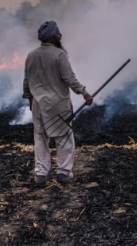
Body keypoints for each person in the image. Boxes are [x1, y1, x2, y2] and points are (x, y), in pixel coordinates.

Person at [23, 21, 93, 185]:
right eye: (58, 33)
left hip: (38, 104)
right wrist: (84, 93)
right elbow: (69, 79)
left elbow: (27, 81)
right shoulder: (59, 55)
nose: (61, 35)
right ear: (53, 37)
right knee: (64, 137)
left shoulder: (31, 55)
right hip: (58, 105)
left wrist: (29, 98)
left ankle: (40, 174)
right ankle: (63, 172)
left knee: (40, 137)